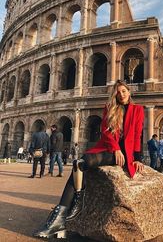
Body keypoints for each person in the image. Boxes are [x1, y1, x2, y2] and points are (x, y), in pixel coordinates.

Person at [34, 79, 145, 239]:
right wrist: (116, 148)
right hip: (110, 149)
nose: (121, 95)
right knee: (78, 164)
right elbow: (106, 132)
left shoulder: (137, 110)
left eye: (124, 91)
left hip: (124, 155)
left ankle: (62, 216)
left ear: (129, 92)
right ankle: (70, 207)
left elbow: (137, 135)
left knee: (84, 163)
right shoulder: (110, 108)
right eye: (118, 92)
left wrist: (137, 158)